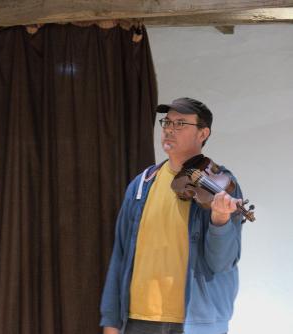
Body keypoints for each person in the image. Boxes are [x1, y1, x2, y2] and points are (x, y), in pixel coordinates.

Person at [100, 97, 245, 334]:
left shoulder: (221, 186)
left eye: (180, 124)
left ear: (202, 133)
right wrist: (111, 321)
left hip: (197, 323)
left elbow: (222, 263)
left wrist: (220, 220)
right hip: (138, 320)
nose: (169, 129)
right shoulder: (141, 185)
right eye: (166, 122)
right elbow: (121, 255)